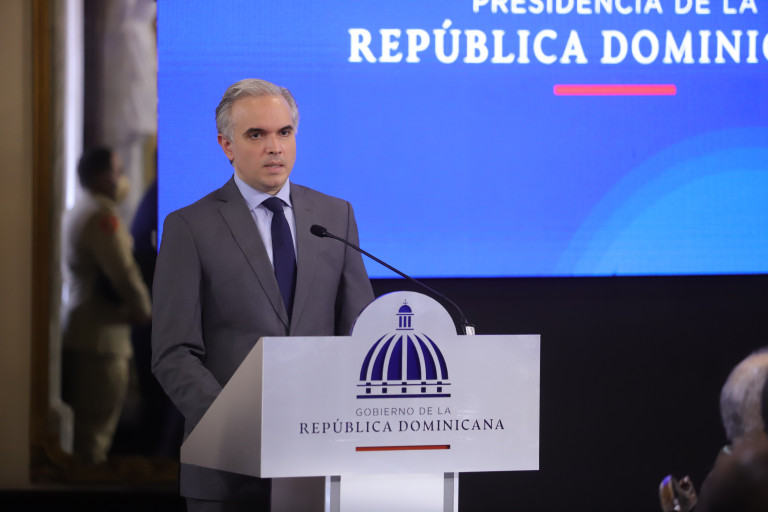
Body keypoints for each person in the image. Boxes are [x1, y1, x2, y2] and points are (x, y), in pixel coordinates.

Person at [151, 79, 374, 511]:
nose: (274, 147)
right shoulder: (189, 227)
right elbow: (173, 353)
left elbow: (358, 333)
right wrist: (236, 425)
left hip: (319, 460)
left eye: (284, 132)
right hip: (227, 469)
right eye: (256, 134)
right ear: (226, 145)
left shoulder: (335, 216)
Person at [61, 146, 152, 465]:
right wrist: (144, 309)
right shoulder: (102, 217)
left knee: (85, 433)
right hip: (102, 340)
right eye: (118, 171)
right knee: (94, 437)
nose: (122, 178)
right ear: (102, 177)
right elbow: (123, 272)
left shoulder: (79, 209)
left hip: (83, 332)